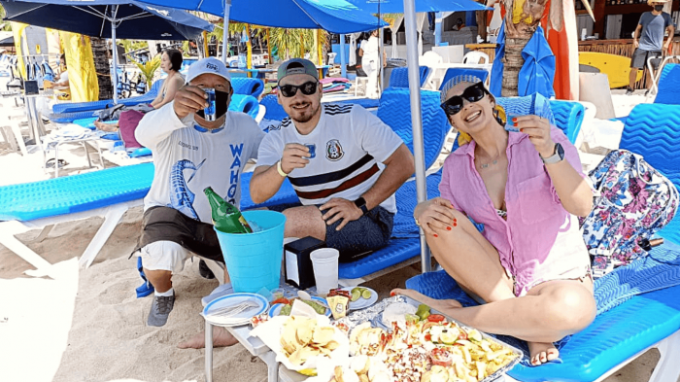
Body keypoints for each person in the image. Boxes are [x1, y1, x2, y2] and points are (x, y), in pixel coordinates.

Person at [392, 76, 596, 366]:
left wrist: (551, 154)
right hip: (497, 277)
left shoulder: (542, 141)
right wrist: (420, 211)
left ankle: (450, 314)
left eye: (474, 94)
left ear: (490, 100)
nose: (467, 105)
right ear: (452, 121)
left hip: (557, 273)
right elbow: (451, 224)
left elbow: (581, 204)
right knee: (435, 218)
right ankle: (531, 327)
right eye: (454, 104)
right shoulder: (456, 166)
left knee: (574, 309)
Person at [132, 57, 265, 333]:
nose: (210, 91)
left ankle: (208, 259)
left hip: (221, 219)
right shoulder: (171, 122)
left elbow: (269, 153)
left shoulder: (245, 126)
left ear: (229, 95)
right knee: (158, 256)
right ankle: (163, 293)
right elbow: (141, 134)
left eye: (219, 86)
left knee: (249, 266)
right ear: (188, 90)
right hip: (170, 213)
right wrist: (175, 110)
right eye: (201, 86)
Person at [250, 58, 415, 262]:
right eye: (289, 90)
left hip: (370, 217)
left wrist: (359, 206)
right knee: (250, 222)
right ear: (279, 97)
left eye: (307, 87)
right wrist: (281, 168)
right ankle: (235, 291)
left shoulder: (352, 118)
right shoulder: (276, 137)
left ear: (320, 90)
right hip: (323, 212)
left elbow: (405, 163)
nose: (299, 96)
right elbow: (257, 194)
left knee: (288, 222)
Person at [627, 0, 675, 95]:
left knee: (652, 69)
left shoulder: (666, 16)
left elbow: (671, 31)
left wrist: (667, 43)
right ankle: (630, 88)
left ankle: (649, 90)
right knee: (634, 68)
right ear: (652, 4)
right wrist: (635, 40)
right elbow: (638, 28)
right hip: (642, 45)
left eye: (661, 4)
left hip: (656, 47)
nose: (659, 5)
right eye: (657, 3)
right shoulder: (645, 15)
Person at [360, 30, 382, 99]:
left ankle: (373, 93)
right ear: (373, 32)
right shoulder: (378, 40)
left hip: (365, 62)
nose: (377, 32)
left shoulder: (363, 42)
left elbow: (360, 53)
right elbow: (382, 51)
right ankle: (368, 94)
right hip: (373, 61)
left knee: (371, 77)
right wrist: (384, 61)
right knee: (373, 78)